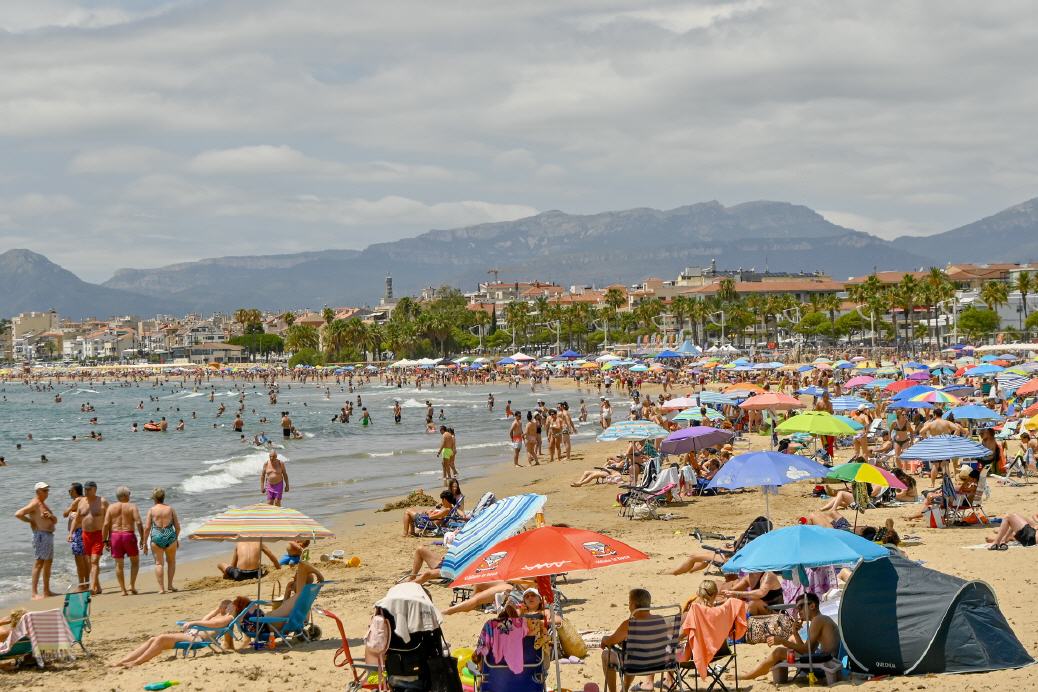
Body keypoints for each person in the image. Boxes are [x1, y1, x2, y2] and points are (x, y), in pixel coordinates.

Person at [110, 598, 245, 667]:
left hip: (198, 639)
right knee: (153, 639)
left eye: (230, 604)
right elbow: (206, 619)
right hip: (193, 635)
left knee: (162, 639)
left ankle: (137, 662)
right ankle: (124, 661)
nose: (226, 606)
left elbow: (213, 625)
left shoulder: (228, 618)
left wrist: (193, 623)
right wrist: (216, 609)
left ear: (235, 608)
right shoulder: (219, 614)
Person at [738, 592, 840, 680]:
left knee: (778, 652)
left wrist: (782, 641)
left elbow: (805, 651)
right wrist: (795, 633)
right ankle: (762, 669)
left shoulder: (818, 620)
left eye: (801, 607)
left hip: (824, 666)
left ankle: (751, 675)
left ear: (812, 606)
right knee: (792, 639)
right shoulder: (820, 620)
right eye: (797, 609)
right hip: (828, 662)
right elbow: (809, 651)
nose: (799, 612)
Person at [601, 588, 659, 692]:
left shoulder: (629, 624)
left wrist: (605, 639)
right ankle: (625, 689)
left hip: (634, 665)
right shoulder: (660, 620)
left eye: (629, 602)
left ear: (633, 605)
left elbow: (611, 642)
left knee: (606, 655)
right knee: (631, 652)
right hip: (658, 664)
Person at [14, 482, 57, 600]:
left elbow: (55, 520)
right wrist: (30, 521)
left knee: (48, 562)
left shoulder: (43, 504)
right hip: (41, 535)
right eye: (44, 490)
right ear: (38, 492)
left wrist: (51, 517)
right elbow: (18, 514)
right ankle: (34, 593)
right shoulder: (35, 503)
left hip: (48, 535)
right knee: (39, 562)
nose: (47, 492)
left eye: (47, 490)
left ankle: (47, 591)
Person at [103, 486, 145, 596]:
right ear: (126, 495)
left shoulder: (111, 507)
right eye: (129, 494)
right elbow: (139, 522)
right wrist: (142, 538)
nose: (130, 496)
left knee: (118, 564)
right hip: (128, 535)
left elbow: (106, 524)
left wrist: (105, 540)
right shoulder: (132, 506)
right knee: (135, 562)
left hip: (115, 536)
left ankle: (123, 590)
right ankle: (132, 585)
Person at [143, 488, 180, 594]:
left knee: (159, 564)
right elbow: (177, 527)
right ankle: (170, 585)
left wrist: (144, 543)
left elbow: (147, 528)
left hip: (157, 537)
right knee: (171, 562)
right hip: (170, 536)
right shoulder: (170, 509)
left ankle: (161, 589)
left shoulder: (151, 510)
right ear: (163, 497)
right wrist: (175, 538)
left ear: (154, 498)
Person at [74, 481, 109, 594]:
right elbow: (77, 519)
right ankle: (97, 587)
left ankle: (92, 588)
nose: (86, 491)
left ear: (95, 490)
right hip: (85, 535)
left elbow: (110, 519)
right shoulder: (81, 502)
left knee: (94, 561)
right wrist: (71, 533)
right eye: (85, 489)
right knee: (90, 562)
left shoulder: (102, 501)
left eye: (89, 489)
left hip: (98, 534)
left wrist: (110, 537)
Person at [63, 482, 89, 592]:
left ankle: (82, 584)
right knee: (84, 558)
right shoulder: (85, 500)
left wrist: (69, 510)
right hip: (84, 531)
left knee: (79, 559)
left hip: (78, 532)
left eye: (70, 490)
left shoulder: (78, 500)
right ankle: (86, 582)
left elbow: (65, 513)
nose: (69, 492)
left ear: (75, 491)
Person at [217, 541, 281, 581]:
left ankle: (226, 575)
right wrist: (279, 568)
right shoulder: (259, 542)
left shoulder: (239, 543)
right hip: (256, 574)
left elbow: (233, 565)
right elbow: (272, 557)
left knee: (221, 564)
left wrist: (227, 574)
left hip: (240, 575)